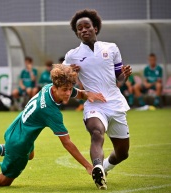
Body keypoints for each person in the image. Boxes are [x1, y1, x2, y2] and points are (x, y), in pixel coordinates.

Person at [0, 64, 106, 187]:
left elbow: (75, 92)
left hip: (16, 129)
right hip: (19, 143)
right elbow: (67, 142)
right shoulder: (51, 112)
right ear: (56, 88)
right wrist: (88, 166)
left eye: (69, 89)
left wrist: (86, 94)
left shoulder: (49, 87)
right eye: (64, 90)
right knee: (3, 180)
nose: (68, 93)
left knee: (30, 155)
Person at [63, 9, 132, 189]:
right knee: (96, 132)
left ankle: (105, 167)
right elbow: (57, 79)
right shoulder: (72, 55)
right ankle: (98, 168)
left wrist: (124, 75)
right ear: (77, 32)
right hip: (94, 105)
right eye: (79, 28)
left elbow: (119, 79)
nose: (83, 30)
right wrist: (70, 73)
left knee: (123, 153)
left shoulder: (111, 48)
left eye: (87, 26)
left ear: (96, 28)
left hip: (115, 104)